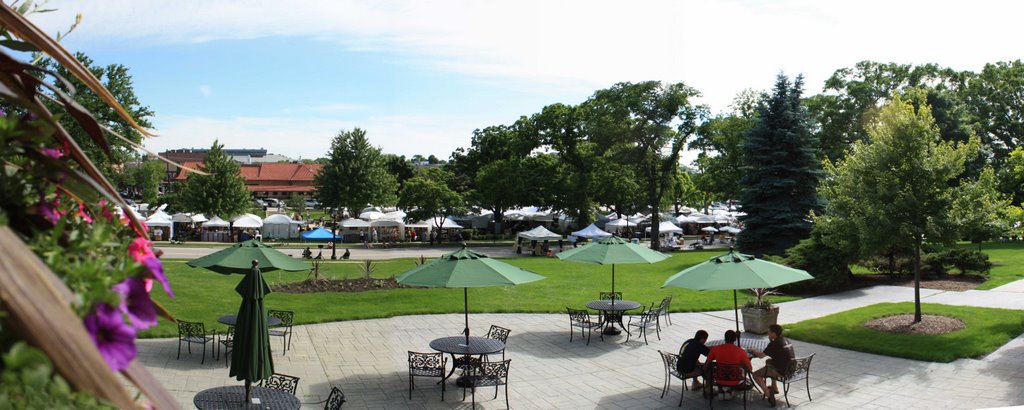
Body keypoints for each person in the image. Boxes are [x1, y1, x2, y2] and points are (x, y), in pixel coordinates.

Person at [748, 324, 795, 406]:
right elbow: (774, 350)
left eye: (769, 332)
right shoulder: (785, 340)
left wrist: (753, 349)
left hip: (782, 371)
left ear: (774, 333)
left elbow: (760, 356)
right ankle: (774, 387)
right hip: (792, 368)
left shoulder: (774, 344)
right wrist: (771, 340)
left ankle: (768, 394)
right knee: (769, 361)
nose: (768, 333)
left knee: (755, 374)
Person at [706, 330, 752, 401]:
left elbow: (707, 364)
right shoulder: (741, 351)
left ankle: (721, 391)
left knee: (718, 369)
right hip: (735, 380)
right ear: (735, 339)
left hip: (718, 379)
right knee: (738, 370)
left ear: (725, 338)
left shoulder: (715, 349)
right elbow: (750, 369)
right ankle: (729, 391)